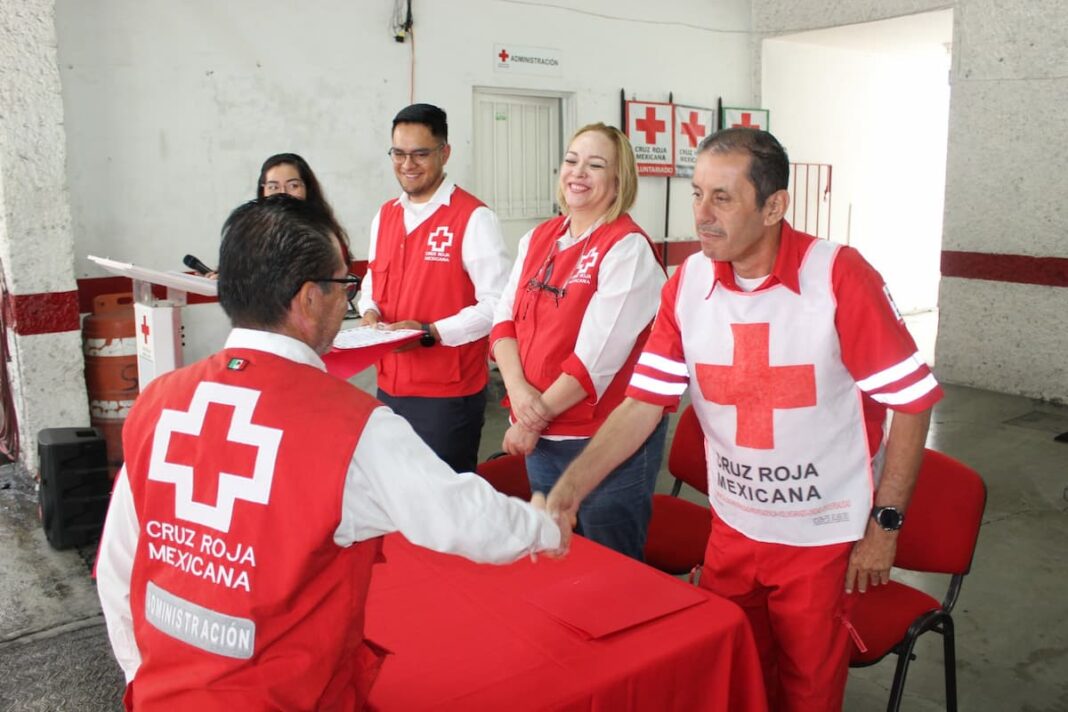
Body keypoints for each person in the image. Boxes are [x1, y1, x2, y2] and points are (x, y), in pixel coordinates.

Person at [95, 195, 565, 711]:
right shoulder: (350, 428)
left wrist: (145, 677)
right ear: (308, 299)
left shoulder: (157, 403)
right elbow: (464, 520)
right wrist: (544, 527)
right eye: (345, 286)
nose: (350, 302)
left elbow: (119, 567)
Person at [547, 128, 943, 711]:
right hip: (733, 530)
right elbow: (643, 403)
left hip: (821, 536)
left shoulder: (837, 277)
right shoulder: (686, 283)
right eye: (696, 195)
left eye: (723, 199)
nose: (702, 216)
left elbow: (911, 400)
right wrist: (569, 491)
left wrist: (884, 528)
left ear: (775, 206)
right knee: (735, 680)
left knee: (807, 689)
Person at [490, 122, 666, 561]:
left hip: (605, 441)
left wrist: (530, 420)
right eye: (572, 161)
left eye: (595, 165)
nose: (578, 173)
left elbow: (595, 362)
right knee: (555, 551)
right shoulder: (539, 237)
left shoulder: (628, 249)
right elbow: (502, 322)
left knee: (610, 562)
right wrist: (517, 392)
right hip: (541, 434)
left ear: (618, 181)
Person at [357, 103, 510, 473]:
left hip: (446, 395)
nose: (407, 164)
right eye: (398, 153)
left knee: (445, 506)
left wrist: (430, 332)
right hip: (390, 385)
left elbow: (498, 305)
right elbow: (373, 280)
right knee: (394, 493)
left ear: (444, 153)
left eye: (420, 154)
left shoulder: (473, 218)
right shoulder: (386, 214)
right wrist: (370, 311)